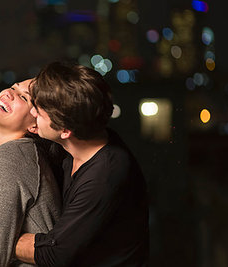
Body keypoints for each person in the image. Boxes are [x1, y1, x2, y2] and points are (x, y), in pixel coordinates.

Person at [15, 62, 149, 266]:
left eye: (39, 112)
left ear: (65, 130)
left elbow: (55, 253)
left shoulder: (104, 175)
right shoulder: (76, 144)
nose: (32, 113)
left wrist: (3, 237)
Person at [0, 79, 63, 267]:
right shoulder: (27, 153)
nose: (9, 93)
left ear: (35, 124)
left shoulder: (12, 155)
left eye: (23, 97)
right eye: (12, 87)